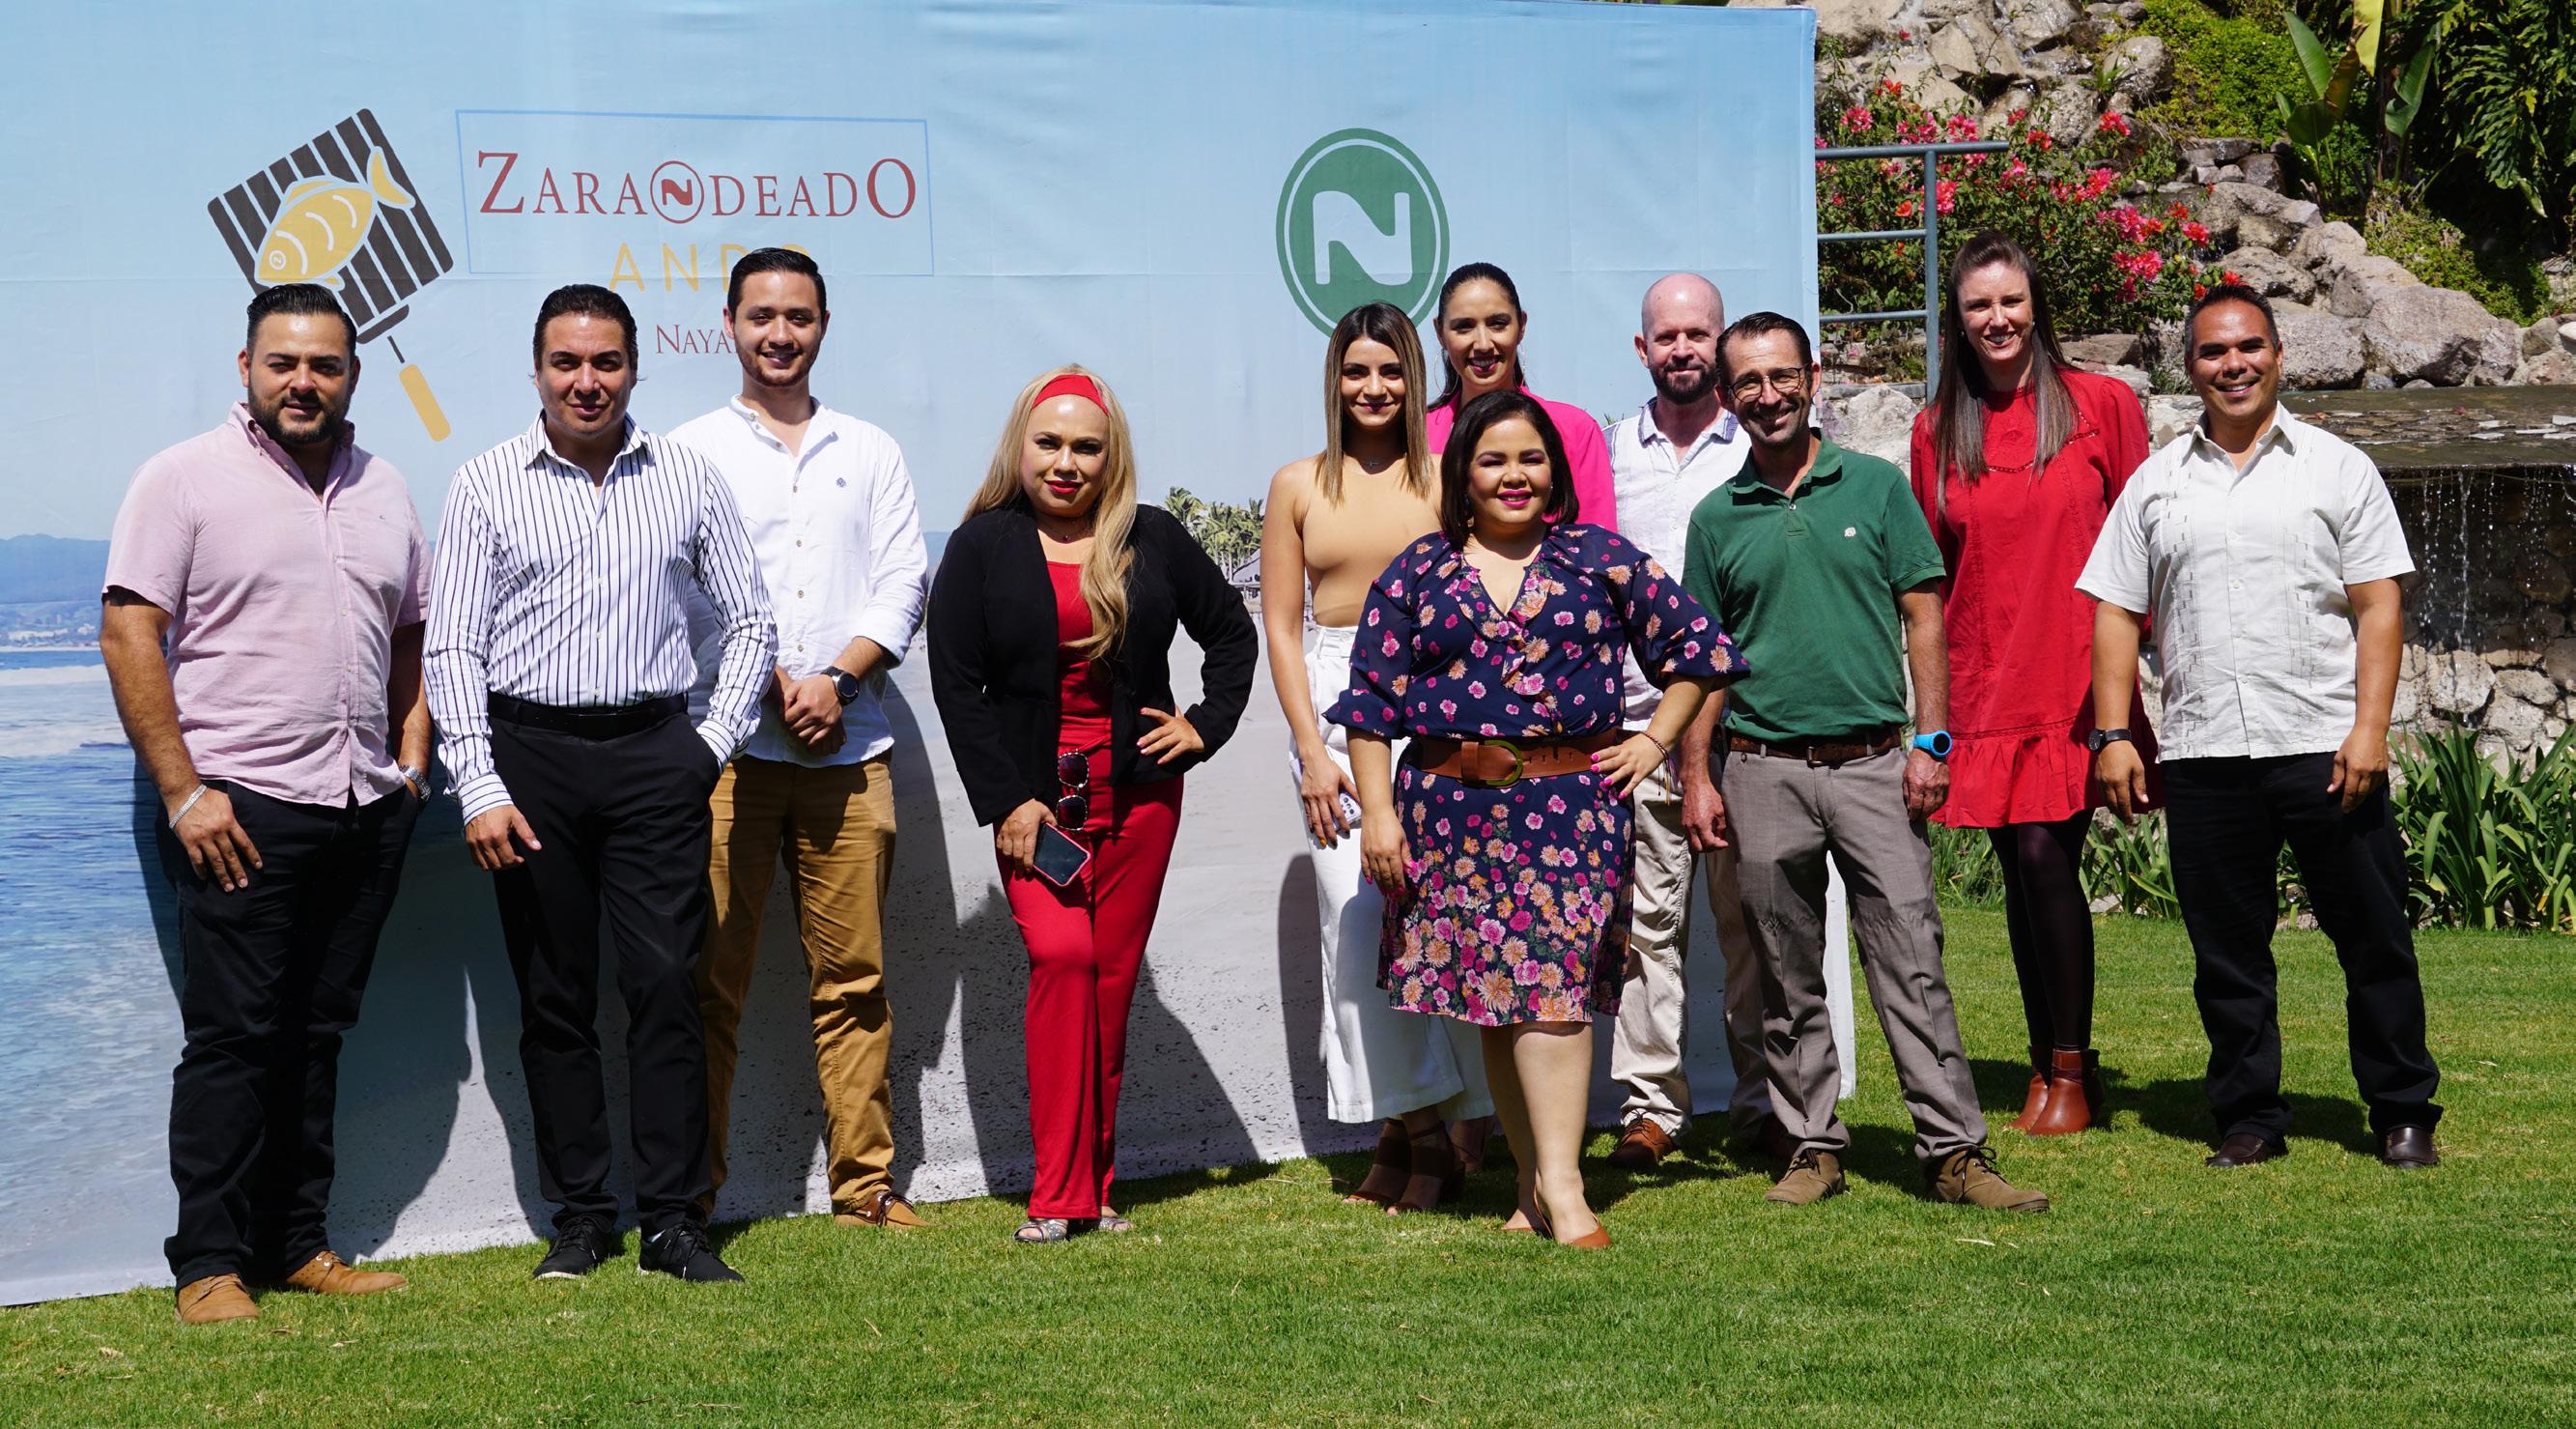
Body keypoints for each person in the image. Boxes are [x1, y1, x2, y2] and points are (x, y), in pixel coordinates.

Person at [426, 284, 777, 1283]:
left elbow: (752, 622)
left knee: (667, 986)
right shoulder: (485, 482)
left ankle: (673, 1222)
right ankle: (580, 1219)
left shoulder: (687, 476)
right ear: (537, 370)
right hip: (528, 760)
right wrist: (478, 783)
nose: (587, 382)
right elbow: (451, 646)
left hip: (657, 754)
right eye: (567, 363)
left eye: (606, 362)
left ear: (634, 367)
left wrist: (711, 743)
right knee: (555, 996)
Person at [1333, 389, 1741, 1247]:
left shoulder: (1599, 559)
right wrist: (1376, 815)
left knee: (1552, 996)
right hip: (1448, 815)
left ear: (1554, 470)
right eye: (1493, 460)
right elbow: (1367, 706)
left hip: (1569, 812)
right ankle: (1528, 1182)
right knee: (1498, 998)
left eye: (1530, 458)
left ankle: (1563, 1186)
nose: (1513, 475)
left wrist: (1653, 741)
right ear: (1462, 473)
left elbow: (1699, 651)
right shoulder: (1416, 571)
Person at [102, 284, 432, 1325]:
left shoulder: (385, 486)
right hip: (239, 807)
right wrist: (183, 791)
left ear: (353, 376)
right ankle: (208, 1263)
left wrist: (409, 760)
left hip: (361, 804)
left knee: (317, 1032)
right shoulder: (182, 478)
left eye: (324, 365)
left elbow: (413, 632)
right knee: (234, 1039)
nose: (303, 382)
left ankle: (296, 1245)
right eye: (283, 362)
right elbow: (128, 630)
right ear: (245, 368)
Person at [1679, 312, 2049, 1213]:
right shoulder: (1716, 517)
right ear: (1726, 397)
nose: (1768, 395)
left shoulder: (1876, 488)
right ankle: (1811, 1145)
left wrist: (1931, 742)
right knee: (1782, 970)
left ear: (1812, 378)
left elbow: (1923, 615)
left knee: (1910, 958)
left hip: (1876, 764)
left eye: (1782, 376)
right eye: (1748, 382)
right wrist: (1695, 774)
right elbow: (1703, 662)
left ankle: (1953, 1151)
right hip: (1760, 768)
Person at [2079, 284, 2442, 1171]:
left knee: (2373, 938)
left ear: (2278, 356)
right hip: (2204, 750)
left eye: (2247, 347)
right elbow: (2116, 610)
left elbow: (2378, 604)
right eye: (2212, 351)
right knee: (2227, 955)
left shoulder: (2336, 468)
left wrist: (2369, 730)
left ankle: (2401, 1109)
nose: (2231, 364)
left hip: (2322, 744)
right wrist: (2113, 733)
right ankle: (2248, 1116)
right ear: (2189, 366)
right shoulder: (2156, 481)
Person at [926, 366, 1258, 1244]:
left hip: (1140, 798)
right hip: (1034, 805)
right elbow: (957, 685)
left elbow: (1231, 632)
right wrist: (1008, 801)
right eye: (1049, 443)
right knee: (1064, 959)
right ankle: (1055, 1191)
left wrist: (1203, 725)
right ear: (1020, 447)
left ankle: (1095, 1189)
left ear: (1112, 456)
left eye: (1085, 446)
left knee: (1109, 987)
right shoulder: (981, 545)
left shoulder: (1152, 536)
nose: (1065, 463)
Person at [670, 249, 933, 1230]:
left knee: (855, 983)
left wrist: (838, 678)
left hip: (848, 750)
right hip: (727, 751)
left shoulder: (870, 448)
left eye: (799, 317)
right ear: (729, 324)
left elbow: (903, 580)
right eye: (761, 316)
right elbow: (679, 589)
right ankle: (691, 1195)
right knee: (709, 985)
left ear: (823, 325)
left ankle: (865, 1187)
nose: (779, 334)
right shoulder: (688, 451)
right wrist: (770, 679)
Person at [1908, 232, 2153, 1136]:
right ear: (1957, 320)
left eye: (2010, 300)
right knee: (2018, 872)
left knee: (2049, 857)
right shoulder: (1936, 429)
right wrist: (1932, 715)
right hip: (1984, 681)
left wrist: (2136, 673)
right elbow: (1930, 575)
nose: (1997, 318)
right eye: (1978, 305)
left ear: (2035, 304)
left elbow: (2144, 541)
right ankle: (2046, 1061)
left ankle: (2072, 1070)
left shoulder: (2100, 404)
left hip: (2078, 678)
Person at [1259, 302, 1493, 1213]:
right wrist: (1309, 750)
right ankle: (1424, 1131)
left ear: (1415, 377)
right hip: (1330, 700)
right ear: (1335, 379)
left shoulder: (1446, 477)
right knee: (1354, 926)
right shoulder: (1296, 485)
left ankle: (1412, 1136)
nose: (1373, 387)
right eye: (1356, 370)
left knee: (1429, 922)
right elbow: (1282, 628)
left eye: (1390, 370)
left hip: (1432, 702)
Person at [1598, 273, 1783, 1173]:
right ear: (1642, 348)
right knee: (1644, 933)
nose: (1682, 349)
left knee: (1752, 927)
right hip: (1634, 730)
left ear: (1719, 341)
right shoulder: (1606, 455)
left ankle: (1764, 1101)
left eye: (1697, 334)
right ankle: (1650, 1107)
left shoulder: (1756, 449)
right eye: (1665, 336)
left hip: (1741, 729)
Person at [1425, 262, 1618, 530]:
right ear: (1440, 333)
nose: (1483, 344)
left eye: (1498, 324)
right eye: (1464, 327)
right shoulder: (1416, 436)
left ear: (1521, 326)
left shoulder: (1575, 430)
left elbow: (1598, 545)